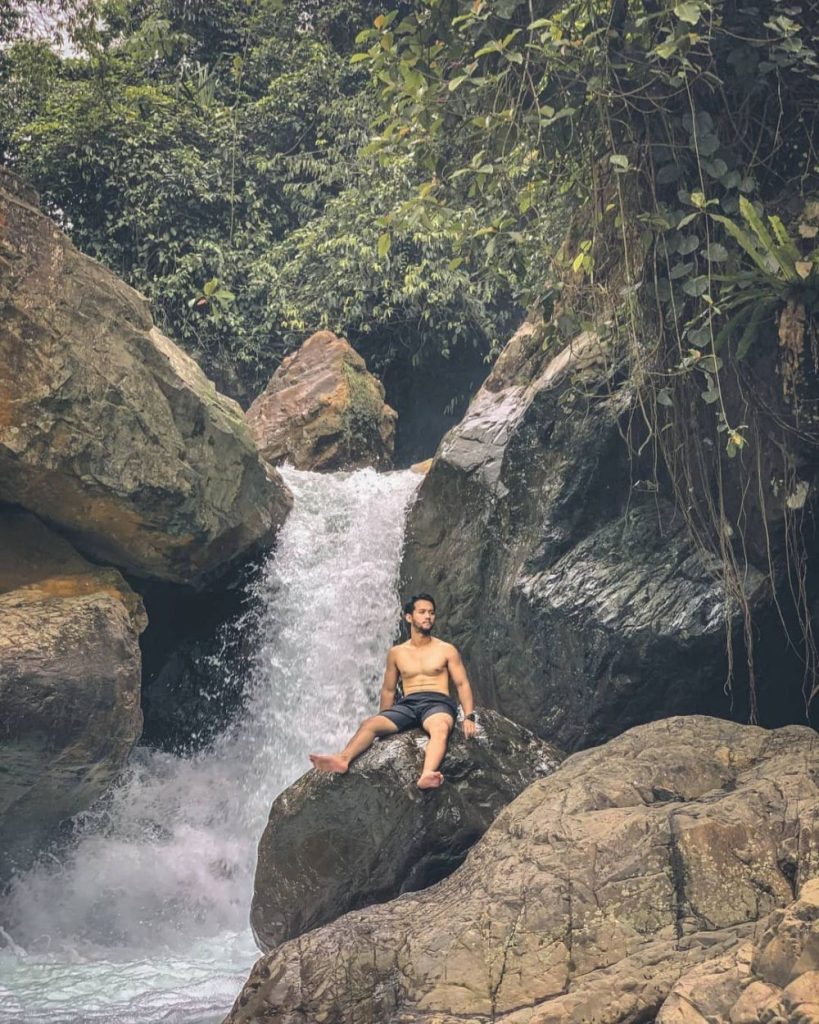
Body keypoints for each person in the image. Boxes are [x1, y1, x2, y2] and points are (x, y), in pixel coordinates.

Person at [309, 593, 476, 789]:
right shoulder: (397, 653)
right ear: (409, 617)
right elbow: (388, 690)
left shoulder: (446, 649)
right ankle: (343, 759)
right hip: (408, 704)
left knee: (439, 729)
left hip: (437, 703)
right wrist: (385, 719)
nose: (428, 617)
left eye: (431, 613)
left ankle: (427, 773)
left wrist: (469, 716)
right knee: (370, 724)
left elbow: (462, 684)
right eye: (422, 612)